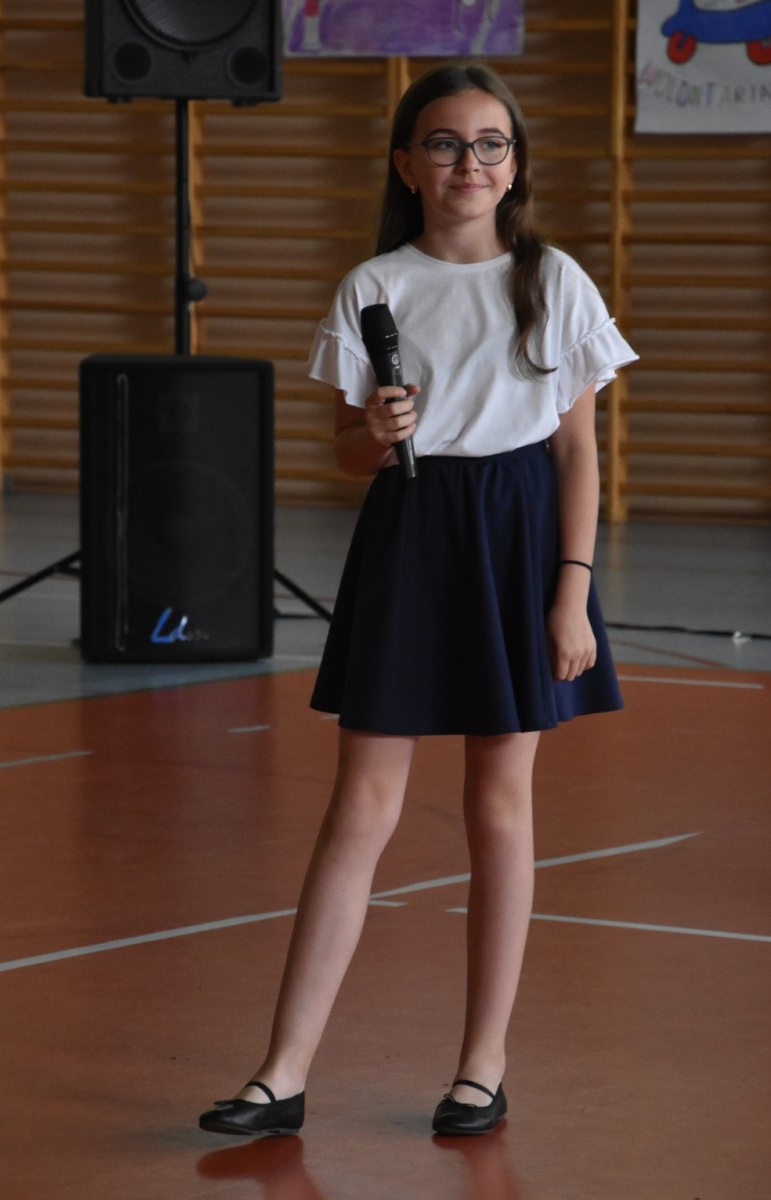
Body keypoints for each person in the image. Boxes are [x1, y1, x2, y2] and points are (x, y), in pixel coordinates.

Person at [199, 61, 637, 1140]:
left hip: (520, 539)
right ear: (407, 163)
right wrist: (375, 433)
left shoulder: (553, 280)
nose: (468, 163)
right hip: (409, 533)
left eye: (490, 144)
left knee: (499, 806)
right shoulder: (372, 286)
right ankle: (281, 1072)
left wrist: (572, 590)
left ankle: (482, 1066)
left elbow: (577, 453)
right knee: (359, 807)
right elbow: (346, 453)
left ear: (514, 164)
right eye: (444, 144)